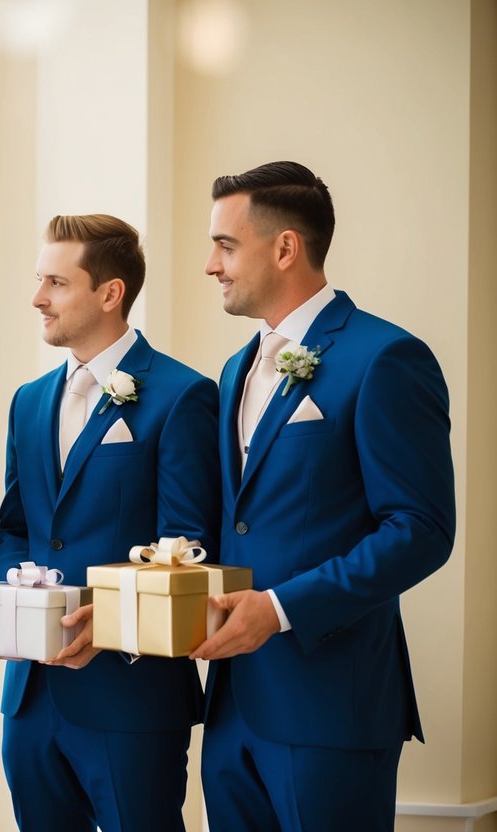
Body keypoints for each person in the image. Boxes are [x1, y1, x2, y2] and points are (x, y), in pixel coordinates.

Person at [190, 161, 455, 830]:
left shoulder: (384, 357)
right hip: (230, 709)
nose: (209, 265)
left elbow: (418, 529)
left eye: (224, 245)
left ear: (284, 247)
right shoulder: (236, 367)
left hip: (331, 706)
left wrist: (278, 609)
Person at [0, 214, 218, 831]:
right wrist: (8, 600)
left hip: (133, 696)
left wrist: (112, 621)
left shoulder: (181, 395)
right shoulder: (29, 399)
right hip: (31, 698)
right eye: (40, 280)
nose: (37, 297)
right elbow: (15, 527)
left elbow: (188, 546)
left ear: (110, 293)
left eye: (57, 283)